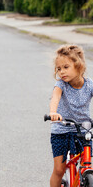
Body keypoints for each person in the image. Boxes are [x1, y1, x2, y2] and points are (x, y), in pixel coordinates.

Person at [48, 44, 93, 187]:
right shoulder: (61, 84)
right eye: (59, 69)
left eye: (66, 67)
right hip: (61, 130)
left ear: (78, 65)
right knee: (59, 169)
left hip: (83, 130)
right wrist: (53, 113)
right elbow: (55, 98)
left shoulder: (90, 84)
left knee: (86, 163)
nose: (62, 72)